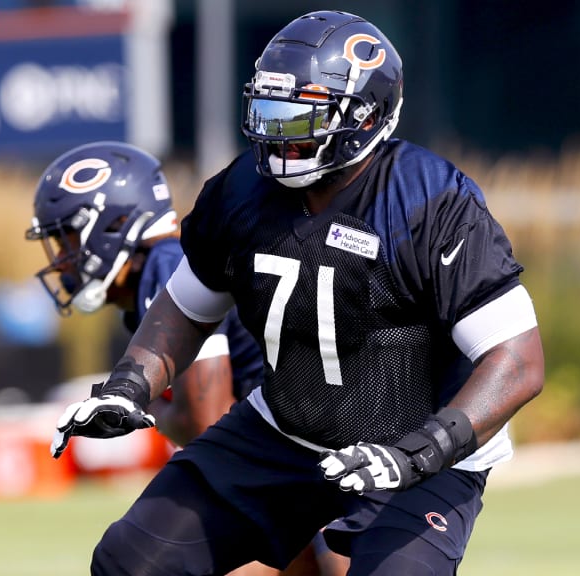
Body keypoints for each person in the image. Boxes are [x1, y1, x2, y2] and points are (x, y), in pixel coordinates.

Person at [47, 10, 545, 576]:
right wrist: (130, 384)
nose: (275, 132)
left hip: (417, 455)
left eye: (296, 115)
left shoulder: (431, 201)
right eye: (268, 110)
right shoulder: (241, 192)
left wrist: (422, 450)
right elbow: (186, 306)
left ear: (362, 115)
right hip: (284, 432)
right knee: (131, 561)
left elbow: (517, 360)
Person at [26, 141, 345, 576]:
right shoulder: (158, 274)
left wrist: (135, 403)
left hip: (312, 435)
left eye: (67, 240)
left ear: (114, 224)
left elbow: (205, 422)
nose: (62, 262)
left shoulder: (166, 265)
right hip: (301, 437)